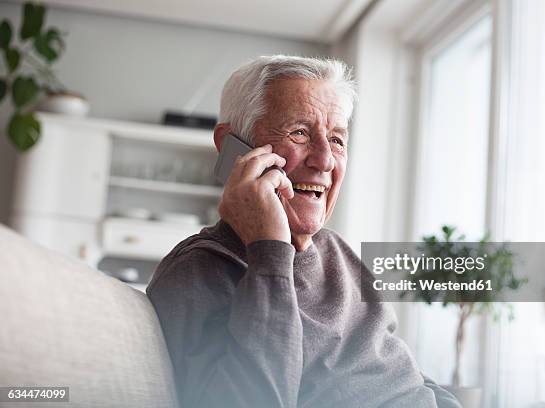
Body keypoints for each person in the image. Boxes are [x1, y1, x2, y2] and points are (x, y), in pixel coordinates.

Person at [147, 55, 461, 408]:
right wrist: (270, 251)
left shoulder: (337, 252)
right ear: (233, 147)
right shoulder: (199, 271)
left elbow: (402, 372)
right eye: (299, 132)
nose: (325, 159)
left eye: (337, 140)